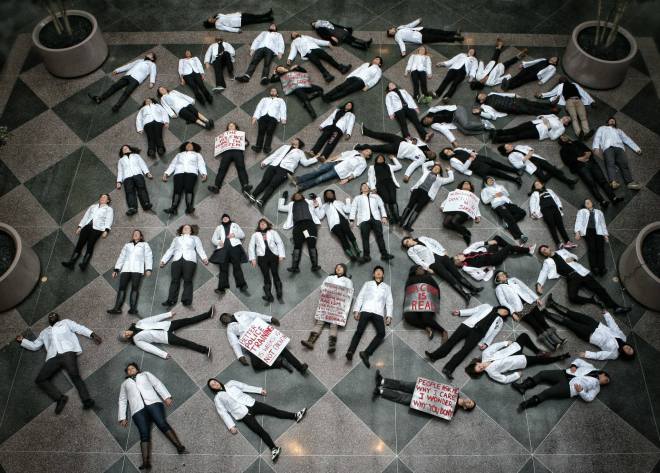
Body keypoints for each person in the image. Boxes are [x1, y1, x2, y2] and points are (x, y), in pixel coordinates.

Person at [16, 312, 101, 414]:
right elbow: (35, 345)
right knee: (40, 380)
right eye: (50, 316)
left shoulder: (66, 323)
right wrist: (22, 341)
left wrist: (92, 334)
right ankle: (60, 398)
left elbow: (79, 328)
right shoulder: (44, 332)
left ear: (58, 317)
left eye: (54, 315)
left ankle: (86, 400)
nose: (51, 316)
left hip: (67, 353)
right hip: (53, 357)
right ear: (48, 320)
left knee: (75, 376)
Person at [208, 377, 307, 463]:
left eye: (215, 381)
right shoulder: (218, 399)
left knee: (274, 411)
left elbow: (244, 387)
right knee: (259, 431)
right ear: (212, 388)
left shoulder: (231, 383)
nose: (215, 384)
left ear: (218, 381)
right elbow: (223, 413)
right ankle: (274, 448)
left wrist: (259, 390)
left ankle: (295, 415)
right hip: (243, 415)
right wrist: (231, 426)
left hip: (252, 404)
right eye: (212, 385)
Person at [118, 363, 187, 470]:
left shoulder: (145, 374)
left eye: (132, 368)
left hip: (154, 403)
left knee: (162, 424)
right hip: (137, 410)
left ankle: (179, 447)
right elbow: (122, 400)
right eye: (128, 369)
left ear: (137, 369)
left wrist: (166, 396)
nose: (131, 370)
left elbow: (157, 384)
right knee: (144, 434)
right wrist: (122, 417)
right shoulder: (125, 384)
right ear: (127, 373)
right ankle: (146, 462)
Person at [535, 244, 631, 314]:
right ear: (544, 255)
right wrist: (539, 284)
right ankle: (592, 300)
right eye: (542, 252)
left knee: (600, 289)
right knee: (572, 297)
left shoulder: (562, 251)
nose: (544, 251)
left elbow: (574, 256)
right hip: (571, 277)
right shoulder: (547, 262)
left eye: (544, 249)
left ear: (549, 248)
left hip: (581, 273)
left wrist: (572, 258)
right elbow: (543, 272)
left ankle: (616, 307)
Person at [425, 304, 509, 380]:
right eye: (505, 310)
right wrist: (460, 312)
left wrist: (486, 343)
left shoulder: (500, 321)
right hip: (467, 326)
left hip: (478, 334)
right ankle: (434, 356)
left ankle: (448, 369)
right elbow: (474, 310)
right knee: (451, 341)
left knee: (465, 351)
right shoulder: (487, 306)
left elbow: (494, 333)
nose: (505, 313)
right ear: (501, 307)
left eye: (506, 314)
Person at [545, 295, 635, 361]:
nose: (628, 349)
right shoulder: (623, 337)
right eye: (630, 348)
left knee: (567, 322)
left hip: (589, 334)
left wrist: (587, 354)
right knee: (571, 314)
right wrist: (607, 315)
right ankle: (552, 303)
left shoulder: (614, 354)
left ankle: (546, 314)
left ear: (625, 355)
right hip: (595, 325)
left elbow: (601, 355)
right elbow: (614, 327)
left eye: (628, 352)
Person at [494, 270, 565, 350]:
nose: (503, 275)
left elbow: (525, 288)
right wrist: (513, 312)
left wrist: (536, 298)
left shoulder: (513, 280)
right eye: (500, 275)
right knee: (535, 325)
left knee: (542, 320)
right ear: (497, 279)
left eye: (503, 274)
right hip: (519, 309)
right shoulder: (499, 288)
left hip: (530, 302)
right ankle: (552, 346)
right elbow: (503, 302)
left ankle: (559, 340)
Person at [220, 311, 309, 374]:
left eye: (225, 317)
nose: (225, 319)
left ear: (228, 314)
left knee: (283, 350)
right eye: (223, 320)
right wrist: (240, 356)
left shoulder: (240, 313)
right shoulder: (230, 329)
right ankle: (280, 363)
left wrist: (270, 318)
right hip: (252, 345)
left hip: (263, 336)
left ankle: (300, 368)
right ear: (224, 323)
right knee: (256, 366)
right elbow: (234, 343)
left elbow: (255, 315)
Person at [403, 236, 482, 304]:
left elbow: (434, 242)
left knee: (456, 273)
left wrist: (443, 250)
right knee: (449, 278)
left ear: (410, 238)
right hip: (433, 263)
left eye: (407, 241)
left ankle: (473, 289)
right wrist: (427, 268)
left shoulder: (422, 238)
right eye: (406, 244)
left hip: (441, 255)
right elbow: (418, 261)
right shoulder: (411, 251)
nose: (407, 244)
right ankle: (465, 295)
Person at [465, 333, 569, 383]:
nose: (481, 367)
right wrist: (516, 375)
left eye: (479, 366)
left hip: (513, 350)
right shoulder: (491, 372)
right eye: (480, 370)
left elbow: (494, 347)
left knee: (523, 336)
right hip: (519, 361)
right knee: (540, 361)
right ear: (480, 372)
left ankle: (538, 351)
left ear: (477, 363)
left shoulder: (485, 355)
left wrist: (506, 343)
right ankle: (560, 357)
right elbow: (504, 379)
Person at [513, 358, 609, 411]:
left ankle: (527, 404)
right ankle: (523, 387)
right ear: (603, 374)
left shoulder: (597, 388)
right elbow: (579, 361)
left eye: (606, 382)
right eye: (606, 379)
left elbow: (589, 398)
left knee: (547, 393)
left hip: (569, 388)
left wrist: (581, 391)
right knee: (543, 374)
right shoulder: (591, 367)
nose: (605, 382)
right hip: (564, 374)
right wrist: (574, 366)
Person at [346, 266, 394, 368]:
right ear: (373, 274)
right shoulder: (367, 284)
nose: (378, 272)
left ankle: (366, 353)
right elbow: (360, 296)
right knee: (359, 331)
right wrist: (356, 310)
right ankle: (350, 351)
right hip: (366, 310)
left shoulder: (387, 287)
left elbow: (389, 302)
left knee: (381, 333)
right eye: (376, 271)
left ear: (383, 275)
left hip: (378, 312)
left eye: (380, 271)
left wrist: (389, 315)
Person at [120, 308, 214, 358]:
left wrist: (168, 314)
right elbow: (149, 348)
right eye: (126, 336)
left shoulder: (138, 323)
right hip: (165, 337)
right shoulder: (137, 341)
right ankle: (205, 350)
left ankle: (208, 314)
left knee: (188, 320)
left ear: (125, 330)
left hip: (167, 325)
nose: (127, 334)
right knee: (185, 343)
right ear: (127, 339)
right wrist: (162, 354)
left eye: (125, 333)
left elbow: (153, 319)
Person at [246, 138, 314, 208]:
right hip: (274, 165)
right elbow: (275, 154)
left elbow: (305, 163)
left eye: (295, 139)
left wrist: (316, 159)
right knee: (264, 181)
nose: (293, 139)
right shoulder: (285, 146)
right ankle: (253, 196)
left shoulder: (300, 152)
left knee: (272, 186)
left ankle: (262, 201)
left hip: (285, 170)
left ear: (299, 142)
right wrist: (265, 162)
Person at [558, 135, 623, 208]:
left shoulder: (577, 142)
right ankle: (602, 202)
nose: (564, 137)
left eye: (564, 135)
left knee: (603, 180)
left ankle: (614, 198)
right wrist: (579, 159)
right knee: (592, 185)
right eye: (562, 138)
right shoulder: (563, 150)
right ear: (561, 141)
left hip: (592, 163)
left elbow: (588, 150)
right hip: (581, 168)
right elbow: (567, 161)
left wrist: (587, 154)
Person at [301, 263, 353, 353]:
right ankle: (310, 342)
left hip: (338, 305)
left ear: (344, 269)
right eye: (337, 267)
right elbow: (323, 287)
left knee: (334, 324)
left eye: (340, 267)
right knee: (319, 322)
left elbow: (349, 293)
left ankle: (331, 346)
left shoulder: (348, 281)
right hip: (327, 303)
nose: (338, 269)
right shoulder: (330, 278)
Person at [355, 126, 435, 181]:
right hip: (401, 140)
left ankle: (360, 147)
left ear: (428, 158)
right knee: (383, 135)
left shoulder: (422, 159)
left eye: (431, 154)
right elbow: (417, 140)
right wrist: (414, 140)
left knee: (378, 148)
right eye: (432, 152)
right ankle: (366, 132)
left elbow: (413, 166)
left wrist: (407, 175)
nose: (430, 152)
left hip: (398, 149)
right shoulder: (425, 146)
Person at [372, 371, 476, 413]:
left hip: (424, 401)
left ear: (465, 407)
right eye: (470, 401)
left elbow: (434, 410)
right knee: (404, 384)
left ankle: (380, 391)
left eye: (470, 405)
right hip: (424, 388)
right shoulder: (454, 392)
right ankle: (382, 381)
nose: (469, 402)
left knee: (402, 398)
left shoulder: (451, 412)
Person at [89, 52, 157, 112]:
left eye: (150, 55)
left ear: (152, 59)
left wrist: (152, 82)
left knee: (127, 92)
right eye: (148, 53)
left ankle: (117, 107)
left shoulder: (152, 65)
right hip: (127, 75)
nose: (148, 54)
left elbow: (153, 73)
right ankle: (100, 98)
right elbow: (129, 65)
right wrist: (118, 70)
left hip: (136, 79)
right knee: (115, 86)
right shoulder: (139, 60)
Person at [160, 224, 209, 307]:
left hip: (190, 260)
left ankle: (186, 299)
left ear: (191, 231)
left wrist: (204, 258)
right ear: (181, 230)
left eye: (188, 228)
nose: (186, 228)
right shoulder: (176, 239)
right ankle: (171, 300)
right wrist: (163, 260)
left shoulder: (195, 238)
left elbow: (199, 248)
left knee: (188, 280)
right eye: (184, 228)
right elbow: (171, 250)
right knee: (174, 280)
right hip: (176, 260)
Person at [61, 194, 113, 270]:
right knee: (79, 244)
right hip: (86, 227)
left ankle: (84, 264)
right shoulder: (93, 206)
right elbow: (85, 217)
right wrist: (80, 227)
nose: (102, 198)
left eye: (104, 197)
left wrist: (106, 230)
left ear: (108, 200)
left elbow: (109, 219)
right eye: (101, 197)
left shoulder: (109, 209)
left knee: (90, 245)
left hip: (97, 229)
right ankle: (71, 263)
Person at [107, 229, 153, 316]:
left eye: (137, 233)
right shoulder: (127, 245)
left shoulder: (144, 245)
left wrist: (148, 269)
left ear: (141, 237)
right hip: (126, 269)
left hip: (137, 269)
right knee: (122, 288)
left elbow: (148, 256)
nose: (135, 234)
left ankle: (132, 309)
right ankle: (117, 308)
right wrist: (116, 269)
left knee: (135, 288)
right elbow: (122, 257)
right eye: (134, 233)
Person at [400, 162, 454, 232]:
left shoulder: (440, 179)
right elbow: (424, 164)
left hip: (427, 194)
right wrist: (433, 162)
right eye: (435, 167)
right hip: (417, 190)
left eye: (438, 169)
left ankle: (408, 225)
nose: (436, 169)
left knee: (418, 209)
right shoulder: (426, 171)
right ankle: (401, 221)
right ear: (432, 168)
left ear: (439, 172)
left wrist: (449, 171)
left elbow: (451, 179)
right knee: (410, 204)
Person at [592, 117, 643, 190]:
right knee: (610, 164)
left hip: (619, 148)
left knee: (624, 164)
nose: (612, 121)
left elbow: (627, 139)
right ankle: (613, 182)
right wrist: (596, 147)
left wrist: (637, 148)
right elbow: (597, 137)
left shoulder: (619, 131)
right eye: (611, 120)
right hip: (608, 148)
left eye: (613, 121)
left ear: (615, 123)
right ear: (608, 122)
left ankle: (630, 183)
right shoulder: (602, 128)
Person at [454, 236, 535, 281]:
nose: (458, 255)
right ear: (459, 263)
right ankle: (528, 250)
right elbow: (478, 277)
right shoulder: (467, 267)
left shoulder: (465, 252)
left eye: (457, 255)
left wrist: (488, 243)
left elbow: (475, 245)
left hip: (489, 252)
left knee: (497, 239)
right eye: (457, 258)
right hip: (494, 260)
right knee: (509, 247)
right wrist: (487, 269)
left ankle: (514, 249)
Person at [350, 183, 395, 263]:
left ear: (369, 188)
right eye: (363, 186)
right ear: (361, 190)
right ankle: (366, 256)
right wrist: (351, 220)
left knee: (380, 236)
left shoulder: (375, 196)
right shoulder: (358, 198)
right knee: (365, 238)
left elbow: (381, 206)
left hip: (376, 218)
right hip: (363, 220)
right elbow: (353, 208)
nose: (365, 187)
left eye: (366, 186)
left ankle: (384, 254)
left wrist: (384, 216)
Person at [278, 191, 322, 272]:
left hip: (309, 225)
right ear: (293, 198)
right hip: (298, 226)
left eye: (299, 195)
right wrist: (283, 198)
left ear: (302, 196)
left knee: (311, 243)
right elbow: (280, 207)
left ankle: (315, 266)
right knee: (297, 245)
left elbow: (318, 205)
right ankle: (295, 267)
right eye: (295, 195)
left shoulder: (309, 202)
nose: (297, 196)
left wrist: (315, 198)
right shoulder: (291, 204)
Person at [498, 143, 577, 187]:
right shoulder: (510, 157)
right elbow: (518, 165)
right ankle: (553, 169)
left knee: (552, 170)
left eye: (508, 144)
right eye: (507, 146)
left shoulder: (518, 146)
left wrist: (531, 151)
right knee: (543, 179)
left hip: (537, 159)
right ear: (506, 151)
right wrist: (526, 157)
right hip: (531, 166)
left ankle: (569, 182)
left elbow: (528, 147)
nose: (510, 145)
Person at [293, 148, 371, 192]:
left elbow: (356, 173)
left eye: (368, 152)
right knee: (317, 171)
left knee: (320, 179)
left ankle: (302, 187)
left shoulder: (363, 163)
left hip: (339, 172)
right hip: (334, 163)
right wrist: (329, 159)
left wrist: (347, 179)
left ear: (368, 156)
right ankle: (298, 180)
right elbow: (341, 155)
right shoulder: (354, 152)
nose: (365, 150)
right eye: (366, 149)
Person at [402, 265, 447, 340]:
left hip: (426, 301)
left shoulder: (428, 277)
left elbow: (436, 288)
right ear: (415, 271)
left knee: (427, 319)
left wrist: (436, 300)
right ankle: (426, 327)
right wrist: (405, 305)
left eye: (422, 268)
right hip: (414, 302)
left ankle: (443, 331)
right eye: (419, 268)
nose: (422, 269)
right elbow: (407, 292)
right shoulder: (410, 279)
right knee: (408, 317)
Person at [162, 141, 207, 215]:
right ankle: (173, 208)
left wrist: (203, 173)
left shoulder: (197, 155)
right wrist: (166, 173)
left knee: (189, 189)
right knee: (177, 191)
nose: (189, 146)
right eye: (187, 145)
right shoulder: (179, 154)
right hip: (178, 173)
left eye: (191, 145)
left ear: (194, 147)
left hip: (191, 173)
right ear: (184, 147)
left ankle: (189, 207)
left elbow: (201, 164)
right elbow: (173, 164)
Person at [529, 179, 576, 250]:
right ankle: (558, 243)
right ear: (535, 188)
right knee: (552, 226)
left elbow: (556, 198)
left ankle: (568, 242)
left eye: (539, 183)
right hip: (545, 210)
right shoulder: (535, 194)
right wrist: (533, 212)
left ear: (542, 184)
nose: (538, 185)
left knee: (561, 225)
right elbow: (532, 203)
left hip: (555, 208)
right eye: (536, 185)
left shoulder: (549, 190)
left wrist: (559, 206)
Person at [314, 189, 360, 261]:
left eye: (331, 193)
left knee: (349, 233)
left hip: (343, 221)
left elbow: (347, 210)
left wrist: (348, 202)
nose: (329, 194)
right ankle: (351, 255)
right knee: (342, 238)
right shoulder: (325, 206)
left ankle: (357, 249)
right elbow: (320, 216)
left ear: (333, 195)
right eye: (327, 194)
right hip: (334, 225)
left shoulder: (339, 202)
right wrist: (316, 207)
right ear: (325, 196)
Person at [207, 122, 251, 195]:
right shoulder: (224, 135)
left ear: (236, 127)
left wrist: (244, 142)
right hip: (227, 153)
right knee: (222, 168)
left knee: (241, 167)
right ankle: (216, 186)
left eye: (232, 126)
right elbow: (220, 144)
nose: (230, 127)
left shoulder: (240, 134)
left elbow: (247, 143)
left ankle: (245, 185)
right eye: (229, 126)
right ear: (227, 128)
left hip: (237, 152)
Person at [248, 218, 286, 303]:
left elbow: (279, 242)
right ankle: (269, 295)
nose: (262, 224)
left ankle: (279, 293)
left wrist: (281, 255)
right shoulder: (255, 235)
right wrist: (253, 259)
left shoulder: (273, 232)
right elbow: (251, 246)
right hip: (262, 257)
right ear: (259, 226)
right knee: (265, 275)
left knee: (275, 273)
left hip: (273, 255)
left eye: (264, 223)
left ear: (267, 224)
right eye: (260, 223)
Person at [423, 104, 495, 147]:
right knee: (466, 132)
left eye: (426, 120)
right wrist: (453, 141)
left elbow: (441, 107)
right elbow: (444, 130)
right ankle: (484, 130)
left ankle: (485, 125)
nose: (428, 121)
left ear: (426, 117)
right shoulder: (434, 125)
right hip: (454, 121)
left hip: (456, 111)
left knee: (466, 125)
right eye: (427, 123)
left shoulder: (431, 111)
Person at [481, 176, 527, 242]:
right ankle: (520, 235)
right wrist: (494, 196)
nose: (491, 181)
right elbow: (485, 201)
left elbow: (507, 194)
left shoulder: (500, 186)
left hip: (507, 202)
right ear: (486, 183)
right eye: (489, 180)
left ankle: (507, 223)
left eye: (492, 179)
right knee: (509, 217)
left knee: (522, 212)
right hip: (498, 204)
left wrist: (502, 193)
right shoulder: (485, 190)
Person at [440, 147, 521, 185]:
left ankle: (516, 170)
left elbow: (467, 150)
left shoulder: (457, 149)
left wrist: (472, 152)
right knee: (497, 173)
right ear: (446, 156)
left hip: (480, 158)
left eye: (448, 150)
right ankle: (515, 180)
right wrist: (469, 160)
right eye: (447, 152)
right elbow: (462, 169)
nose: (449, 151)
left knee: (498, 164)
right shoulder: (452, 161)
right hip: (477, 167)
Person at [211, 214, 248, 294]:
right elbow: (213, 239)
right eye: (223, 218)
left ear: (229, 218)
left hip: (234, 248)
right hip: (223, 249)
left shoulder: (235, 225)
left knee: (237, 266)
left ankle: (242, 285)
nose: (225, 218)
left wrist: (234, 235)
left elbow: (242, 235)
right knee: (223, 269)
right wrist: (218, 242)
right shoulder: (218, 227)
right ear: (221, 220)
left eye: (226, 217)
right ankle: (221, 288)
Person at [388, 18, 461, 56]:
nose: (391, 31)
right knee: (438, 37)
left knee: (439, 31)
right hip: (420, 38)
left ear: (392, 28)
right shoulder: (397, 37)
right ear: (392, 34)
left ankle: (455, 32)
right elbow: (401, 44)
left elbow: (409, 25)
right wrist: (403, 51)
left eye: (390, 30)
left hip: (421, 29)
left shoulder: (399, 27)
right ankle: (455, 38)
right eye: (390, 32)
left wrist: (417, 21)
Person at [575, 199, 609, 276]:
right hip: (588, 231)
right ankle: (594, 268)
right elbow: (578, 221)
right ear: (584, 205)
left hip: (599, 231)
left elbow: (603, 223)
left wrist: (605, 234)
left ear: (592, 203)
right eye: (586, 202)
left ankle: (602, 268)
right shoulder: (582, 211)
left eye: (589, 201)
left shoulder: (599, 212)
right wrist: (577, 232)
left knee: (600, 249)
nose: (588, 203)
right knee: (592, 248)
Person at [116, 145, 153, 216]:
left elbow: (142, 164)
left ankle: (146, 203)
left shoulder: (136, 156)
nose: (125, 149)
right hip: (127, 177)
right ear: (122, 152)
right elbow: (120, 171)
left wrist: (147, 173)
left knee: (142, 189)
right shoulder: (121, 160)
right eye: (123, 149)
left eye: (127, 148)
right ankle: (132, 208)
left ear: (130, 149)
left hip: (138, 174)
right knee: (129, 192)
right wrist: (119, 181)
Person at [367, 154, 402, 225]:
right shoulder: (372, 167)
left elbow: (399, 166)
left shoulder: (388, 166)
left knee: (393, 199)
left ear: (384, 160)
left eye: (382, 158)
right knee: (386, 199)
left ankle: (397, 217)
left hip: (390, 183)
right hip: (380, 184)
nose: (380, 158)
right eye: (379, 158)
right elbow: (370, 178)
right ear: (376, 160)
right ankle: (391, 217)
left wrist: (394, 158)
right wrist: (373, 188)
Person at [251, 88, 287, 154]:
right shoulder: (264, 99)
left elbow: (283, 109)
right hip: (263, 116)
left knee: (270, 131)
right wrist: (255, 117)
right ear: (270, 92)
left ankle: (267, 147)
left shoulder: (280, 100)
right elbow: (258, 108)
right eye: (271, 91)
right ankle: (258, 147)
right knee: (261, 131)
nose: (273, 91)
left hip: (273, 117)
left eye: (274, 91)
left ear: (277, 93)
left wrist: (283, 119)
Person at [490, 114, 570, 143]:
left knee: (519, 136)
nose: (565, 118)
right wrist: (542, 117)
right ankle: (497, 132)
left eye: (567, 119)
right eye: (566, 117)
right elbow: (541, 116)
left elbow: (553, 137)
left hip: (539, 132)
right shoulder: (554, 116)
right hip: (534, 123)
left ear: (566, 123)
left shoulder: (562, 128)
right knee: (515, 129)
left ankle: (497, 139)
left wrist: (549, 127)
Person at [475, 91, 558, 117]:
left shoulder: (491, 94)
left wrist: (514, 95)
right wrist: (480, 112)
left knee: (534, 103)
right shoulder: (486, 106)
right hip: (514, 107)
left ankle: (550, 105)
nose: (482, 94)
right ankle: (551, 111)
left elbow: (503, 95)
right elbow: (491, 115)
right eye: (480, 96)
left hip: (515, 100)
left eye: (481, 94)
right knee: (533, 110)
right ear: (481, 101)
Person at [203, 10, 274, 32]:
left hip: (239, 16)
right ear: (211, 23)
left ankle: (267, 15)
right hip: (239, 22)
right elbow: (227, 28)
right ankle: (268, 19)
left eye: (210, 18)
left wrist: (237, 13)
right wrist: (237, 30)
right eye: (211, 20)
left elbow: (228, 14)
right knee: (254, 21)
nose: (211, 18)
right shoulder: (218, 25)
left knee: (254, 16)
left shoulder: (218, 15)